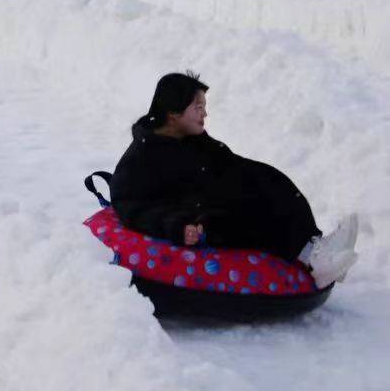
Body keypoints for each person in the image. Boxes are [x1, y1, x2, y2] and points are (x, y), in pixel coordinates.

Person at [110, 73, 359, 289]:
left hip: (208, 198)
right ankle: (314, 259)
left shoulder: (189, 136)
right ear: (174, 113)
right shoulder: (141, 158)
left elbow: (223, 161)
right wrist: (176, 226)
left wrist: (257, 176)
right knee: (249, 212)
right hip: (197, 218)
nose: (205, 113)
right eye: (198, 107)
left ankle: (317, 247)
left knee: (270, 183)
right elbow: (130, 204)